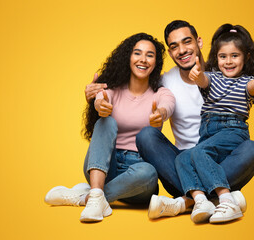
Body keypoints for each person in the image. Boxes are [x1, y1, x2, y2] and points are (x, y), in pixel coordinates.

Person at [135, 20, 254, 220]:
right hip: (182, 164)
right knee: (147, 136)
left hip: (224, 161)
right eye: (174, 46)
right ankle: (219, 198)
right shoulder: (167, 81)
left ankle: (185, 202)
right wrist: (99, 96)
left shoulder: (228, 71)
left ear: (199, 42)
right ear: (170, 52)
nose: (182, 50)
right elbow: (148, 97)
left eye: (187, 42)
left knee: (252, 149)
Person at [44, 33, 176, 223]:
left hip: (138, 176)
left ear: (156, 62)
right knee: (107, 122)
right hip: (104, 167)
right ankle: (97, 192)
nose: (143, 59)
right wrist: (99, 106)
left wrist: (161, 114)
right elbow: (102, 99)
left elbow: (168, 105)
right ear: (128, 58)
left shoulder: (161, 93)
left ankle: (87, 197)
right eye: (137, 53)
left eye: (150, 55)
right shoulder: (113, 90)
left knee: (149, 172)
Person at [171, 23, 254, 224]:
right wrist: (197, 75)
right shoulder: (212, 77)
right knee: (183, 158)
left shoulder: (246, 82)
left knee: (199, 153)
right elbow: (202, 81)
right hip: (208, 131)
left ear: (246, 58)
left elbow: (253, 87)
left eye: (235, 56)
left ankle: (227, 200)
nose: (228, 61)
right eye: (223, 56)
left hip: (233, 129)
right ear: (216, 59)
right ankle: (202, 201)